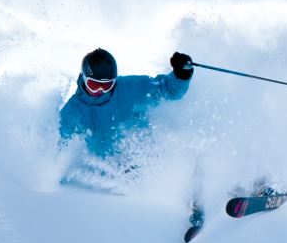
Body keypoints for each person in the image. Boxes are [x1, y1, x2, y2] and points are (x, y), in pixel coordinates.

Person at [58, 47, 194, 160]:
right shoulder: (73, 111)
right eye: (93, 85)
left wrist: (182, 74)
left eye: (106, 85)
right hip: (106, 174)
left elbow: (168, 90)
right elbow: (57, 148)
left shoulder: (130, 88)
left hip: (145, 160)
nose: (100, 91)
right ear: (83, 77)